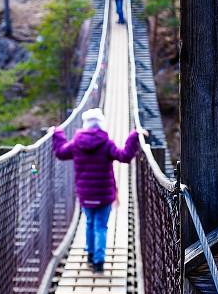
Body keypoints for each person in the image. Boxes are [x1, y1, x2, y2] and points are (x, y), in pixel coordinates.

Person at [51, 108, 148, 273]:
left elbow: (60, 152)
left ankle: (89, 255)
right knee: (101, 226)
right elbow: (124, 156)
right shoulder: (106, 143)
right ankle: (98, 262)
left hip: (85, 194)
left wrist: (57, 133)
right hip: (104, 195)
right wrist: (133, 136)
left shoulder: (76, 144)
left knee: (89, 223)